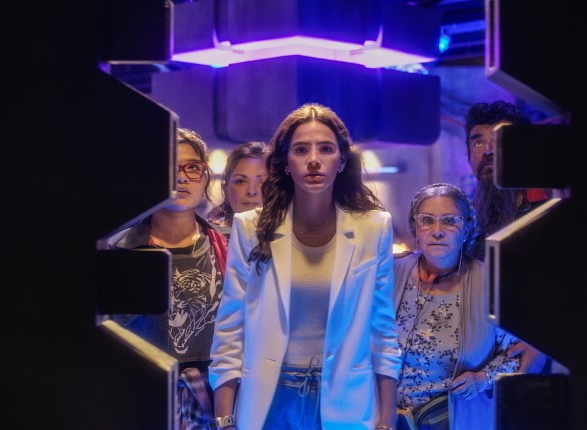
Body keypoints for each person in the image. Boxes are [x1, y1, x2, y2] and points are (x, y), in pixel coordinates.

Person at [208, 103, 402, 430]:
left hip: (346, 399)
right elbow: (230, 329)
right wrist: (224, 420)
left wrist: (387, 417)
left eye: (325, 149)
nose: (313, 159)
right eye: (301, 150)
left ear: (342, 160)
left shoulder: (374, 227)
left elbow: (382, 330)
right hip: (271, 398)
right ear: (285, 162)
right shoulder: (250, 227)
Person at [110, 128, 229, 429]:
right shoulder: (120, 250)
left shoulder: (229, 246)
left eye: (193, 167)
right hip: (144, 397)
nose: (182, 177)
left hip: (217, 397)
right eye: (170, 168)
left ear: (205, 176)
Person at [393, 183, 521, 430]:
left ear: (467, 229)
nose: (437, 231)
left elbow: (519, 352)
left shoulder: (491, 283)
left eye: (449, 221)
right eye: (427, 220)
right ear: (415, 229)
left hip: (455, 420)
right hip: (385, 420)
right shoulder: (390, 273)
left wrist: (483, 378)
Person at [464, 100, 552, 374]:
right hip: (474, 366)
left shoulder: (549, 213)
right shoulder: (465, 219)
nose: (488, 150)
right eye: (478, 141)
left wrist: (543, 345)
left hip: (534, 363)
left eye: (500, 140)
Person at [206, 140, 269, 238]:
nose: (251, 191)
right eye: (240, 181)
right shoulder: (210, 239)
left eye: (263, 182)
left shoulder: (289, 236)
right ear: (225, 189)